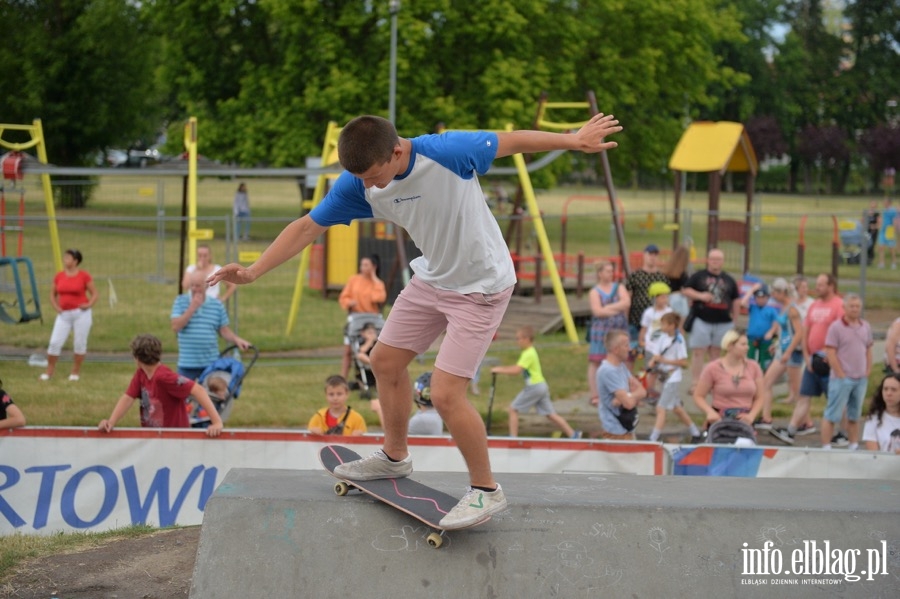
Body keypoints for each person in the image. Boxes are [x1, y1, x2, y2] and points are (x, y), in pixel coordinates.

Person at [209, 112, 623, 529]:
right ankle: (394, 457)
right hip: (433, 279)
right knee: (384, 361)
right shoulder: (360, 183)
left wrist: (573, 140)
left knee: (445, 394)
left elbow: (512, 140)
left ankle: (486, 490)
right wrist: (252, 271)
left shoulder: (448, 151)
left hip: (481, 287)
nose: (370, 187)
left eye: (374, 177)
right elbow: (305, 228)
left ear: (396, 151)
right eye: (363, 180)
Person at [98, 334, 223, 436]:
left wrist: (217, 422)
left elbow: (198, 390)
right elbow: (128, 397)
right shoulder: (141, 374)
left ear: (137, 358)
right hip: (154, 437)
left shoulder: (164, 377)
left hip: (175, 438)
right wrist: (111, 422)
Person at [770, 273, 844, 445]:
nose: (816, 287)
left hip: (829, 361)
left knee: (835, 399)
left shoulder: (838, 305)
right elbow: (805, 331)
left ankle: (843, 433)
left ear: (831, 286)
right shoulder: (814, 305)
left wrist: (828, 353)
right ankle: (790, 431)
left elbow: (841, 332)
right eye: (816, 284)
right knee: (804, 396)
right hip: (812, 359)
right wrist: (806, 355)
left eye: (821, 285)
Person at [491, 326, 580, 439]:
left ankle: (513, 438)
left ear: (527, 339)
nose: (517, 342)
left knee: (512, 409)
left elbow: (516, 370)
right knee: (550, 414)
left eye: (519, 339)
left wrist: (498, 369)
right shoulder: (530, 352)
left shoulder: (528, 353)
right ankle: (573, 434)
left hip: (535, 386)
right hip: (541, 385)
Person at [171, 271, 251, 380]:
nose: (194, 289)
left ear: (206, 286)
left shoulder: (216, 305)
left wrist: (237, 340)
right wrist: (192, 308)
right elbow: (175, 326)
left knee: (210, 395)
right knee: (183, 396)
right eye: (192, 286)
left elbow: (223, 330)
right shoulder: (180, 301)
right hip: (187, 365)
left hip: (210, 364)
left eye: (198, 286)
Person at [682, 248, 740, 390]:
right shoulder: (698, 276)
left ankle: (714, 382)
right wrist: (701, 296)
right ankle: (696, 382)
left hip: (723, 321)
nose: (715, 262)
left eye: (718, 259)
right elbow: (686, 289)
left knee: (716, 352)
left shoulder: (729, 279)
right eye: (713, 259)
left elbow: (736, 299)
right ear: (708, 260)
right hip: (702, 318)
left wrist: (735, 320)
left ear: (722, 262)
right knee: (698, 351)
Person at [820, 294, 872, 450]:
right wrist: (841, 374)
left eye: (857, 306)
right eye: (852, 306)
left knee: (854, 415)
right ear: (844, 308)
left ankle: (854, 444)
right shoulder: (836, 327)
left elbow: (868, 348)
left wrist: (867, 371)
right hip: (841, 378)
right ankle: (826, 445)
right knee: (832, 413)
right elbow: (830, 351)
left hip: (860, 378)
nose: (855, 309)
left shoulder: (865, 326)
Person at [40, 249, 98, 382]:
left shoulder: (84, 276)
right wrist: (56, 307)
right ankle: (49, 371)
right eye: (65, 257)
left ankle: (75, 372)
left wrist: (88, 304)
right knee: (55, 342)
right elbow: (52, 294)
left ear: (76, 261)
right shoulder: (59, 276)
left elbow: (94, 293)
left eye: (68, 257)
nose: (65, 259)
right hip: (63, 314)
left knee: (79, 342)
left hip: (80, 314)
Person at [692, 329, 765, 432]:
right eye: (743, 344)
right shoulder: (713, 368)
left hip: (745, 420)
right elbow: (698, 395)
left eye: (747, 344)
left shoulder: (754, 367)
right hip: (720, 420)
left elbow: (760, 397)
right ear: (730, 346)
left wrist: (752, 416)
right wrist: (710, 412)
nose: (747, 348)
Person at [644, 313, 701, 443]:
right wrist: (653, 362)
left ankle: (653, 437)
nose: (662, 326)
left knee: (661, 407)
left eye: (664, 324)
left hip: (673, 377)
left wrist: (665, 361)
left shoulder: (679, 341)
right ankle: (695, 431)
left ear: (672, 325)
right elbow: (657, 354)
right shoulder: (662, 338)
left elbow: (683, 362)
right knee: (676, 408)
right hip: (664, 376)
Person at [758, 278, 804, 429]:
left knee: (798, 392)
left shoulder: (792, 309)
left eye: (774, 293)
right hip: (782, 351)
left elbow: (798, 333)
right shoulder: (783, 307)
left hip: (792, 353)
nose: (772, 296)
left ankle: (805, 422)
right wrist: (777, 345)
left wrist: (788, 351)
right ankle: (766, 418)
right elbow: (785, 332)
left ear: (781, 292)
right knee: (766, 382)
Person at [586, 260, 630, 407]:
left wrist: (609, 307)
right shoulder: (594, 292)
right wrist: (616, 308)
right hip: (601, 331)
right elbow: (598, 311)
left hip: (618, 328)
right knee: (596, 361)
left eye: (612, 271)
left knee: (619, 359)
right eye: (607, 271)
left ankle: (619, 391)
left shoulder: (619, 287)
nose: (611, 274)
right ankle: (595, 394)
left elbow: (626, 303)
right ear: (600, 273)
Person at [338, 256, 387, 380]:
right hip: (356, 318)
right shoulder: (354, 280)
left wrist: (374, 278)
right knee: (348, 351)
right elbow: (344, 297)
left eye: (366, 265)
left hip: (372, 320)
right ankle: (342, 378)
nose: (362, 268)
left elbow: (379, 298)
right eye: (362, 265)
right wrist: (350, 302)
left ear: (373, 267)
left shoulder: (378, 283)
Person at [597, 329, 646, 440]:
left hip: (627, 429)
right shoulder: (608, 371)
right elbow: (629, 404)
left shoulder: (621, 366)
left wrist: (625, 396)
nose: (629, 349)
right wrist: (631, 395)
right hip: (615, 432)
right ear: (616, 349)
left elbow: (643, 391)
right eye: (626, 345)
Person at [624, 244, 670, 359]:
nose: (652, 257)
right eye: (650, 254)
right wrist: (625, 318)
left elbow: (666, 299)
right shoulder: (635, 276)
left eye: (655, 255)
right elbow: (627, 298)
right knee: (632, 353)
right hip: (636, 319)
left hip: (656, 321)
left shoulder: (662, 277)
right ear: (644, 256)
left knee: (655, 353)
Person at [740, 283, 779, 372]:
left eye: (763, 297)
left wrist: (771, 332)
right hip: (752, 339)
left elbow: (776, 322)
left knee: (765, 362)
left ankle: (764, 377)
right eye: (758, 297)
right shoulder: (753, 307)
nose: (760, 300)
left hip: (765, 340)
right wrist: (752, 290)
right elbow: (742, 303)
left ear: (767, 298)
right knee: (750, 361)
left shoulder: (771, 310)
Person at [862, 374, 900, 453]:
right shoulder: (873, 418)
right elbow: (874, 455)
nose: (888, 393)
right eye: (885, 389)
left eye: (894, 390)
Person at [662, 243, 691, 320]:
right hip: (678, 298)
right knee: (680, 323)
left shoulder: (666, 271)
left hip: (667, 298)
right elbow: (685, 290)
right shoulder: (683, 274)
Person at [876, 197, 897, 269]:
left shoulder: (893, 210)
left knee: (891, 247)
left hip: (889, 229)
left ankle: (893, 262)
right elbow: (882, 219)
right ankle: (882, 263)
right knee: (881, 247)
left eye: (885, 202)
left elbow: (894, 220)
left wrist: (893, 230)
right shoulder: (884, 210)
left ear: (889, 203)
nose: (884, 203)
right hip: (883, 229)